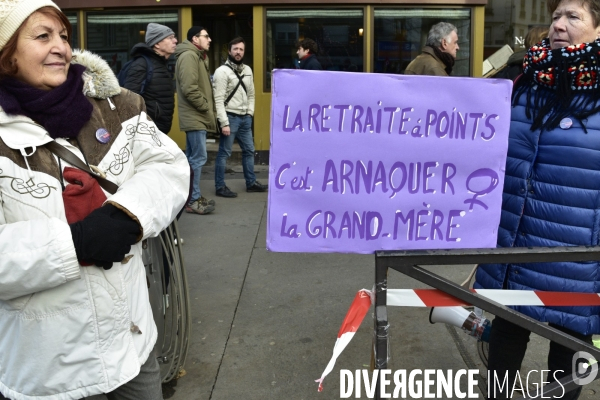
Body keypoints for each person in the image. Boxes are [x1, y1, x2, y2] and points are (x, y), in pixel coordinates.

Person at [0, 1, 190, 399]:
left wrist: (127, 215)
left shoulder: (114, 105)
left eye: (64, 36)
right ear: (7, 54)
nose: (61, 48)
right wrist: (74, 244)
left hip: (133, 344)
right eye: (42, 36)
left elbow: (167, 166)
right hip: (52, 368)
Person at [474, 1, 600, 399]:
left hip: (573, 264)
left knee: (564, 365)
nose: (558, 25)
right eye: (556, 17)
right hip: (515, 250)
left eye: (573, 17)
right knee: (503, 355)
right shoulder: (526, 79)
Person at [213, 37, 267, 198]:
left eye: (241, 49)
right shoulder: (222, 72)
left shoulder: (248, 70)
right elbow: (218, 99)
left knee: (249, 151)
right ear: (229, 51)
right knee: (224, 153)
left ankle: (251, 183)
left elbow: (251, 94)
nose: (238, 52)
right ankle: (220, 186)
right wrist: (224, 123)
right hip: (230, 118)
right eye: (235, 49)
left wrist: (250, 113)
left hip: (245, 118)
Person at [175, 26, 216, 215]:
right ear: (194, 39)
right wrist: (206, 107)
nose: (209, 40)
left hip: (196, 116)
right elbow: (189, 88)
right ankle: (193, 198)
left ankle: (191, 197)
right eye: (206, 36)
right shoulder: (190, 56)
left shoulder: (196, 56)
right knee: (198, 158)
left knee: (192, 160)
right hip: (195, 116)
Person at [123, 23, 177, 134]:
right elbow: (128, 101)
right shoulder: (142, 65)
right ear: (157, 44)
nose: (175, 41)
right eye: (170, 38)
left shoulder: (160, 64)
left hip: (156, 130)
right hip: (145, 131)